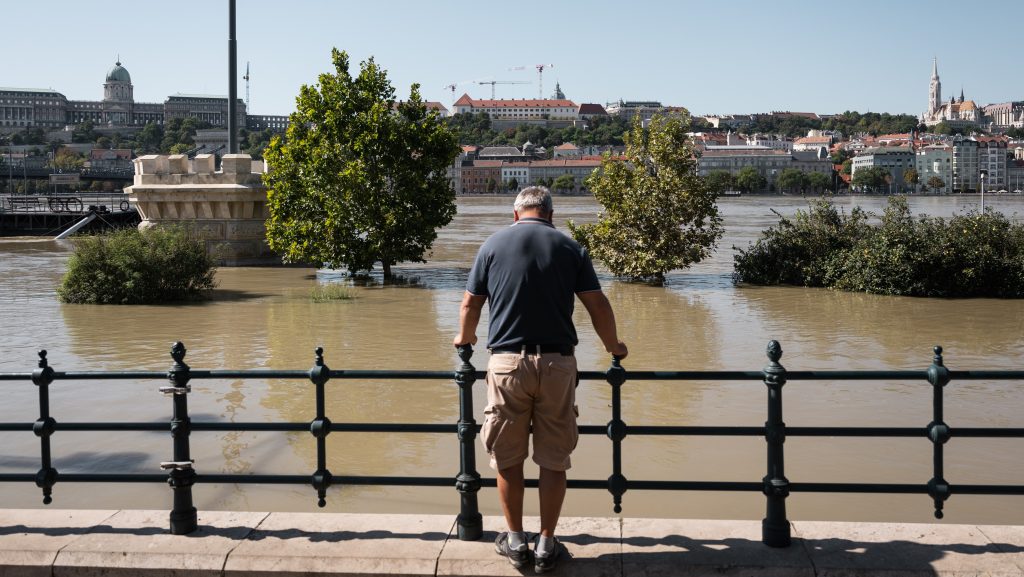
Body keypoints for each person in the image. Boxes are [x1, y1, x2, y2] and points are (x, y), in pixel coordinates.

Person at [454, 186, 628, 573]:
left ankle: (516, 542)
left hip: (507, 363)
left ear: (516, 214)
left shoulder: (492, 245)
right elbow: (597, 303)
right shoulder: (570, 248)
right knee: (554, 458)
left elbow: (470, 304)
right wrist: (614, 346)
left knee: (507, 457)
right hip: (557, 364)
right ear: (550, 214)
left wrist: (464, 338)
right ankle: (547, 543)